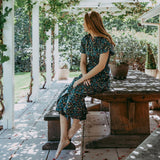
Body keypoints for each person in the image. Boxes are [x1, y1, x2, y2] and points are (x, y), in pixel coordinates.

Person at [54, 11, 115, 159]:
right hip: (87, 77)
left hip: (100, 80)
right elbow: (83, 62)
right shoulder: (85, 39)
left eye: (84, 22)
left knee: (75, 91)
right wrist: (83, 76)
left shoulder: (105, 41)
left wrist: (82, 79)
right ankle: (64, 139)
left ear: (91, 23)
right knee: (63, 99)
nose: (83, 25)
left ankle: (75, 125)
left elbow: (101, 66)